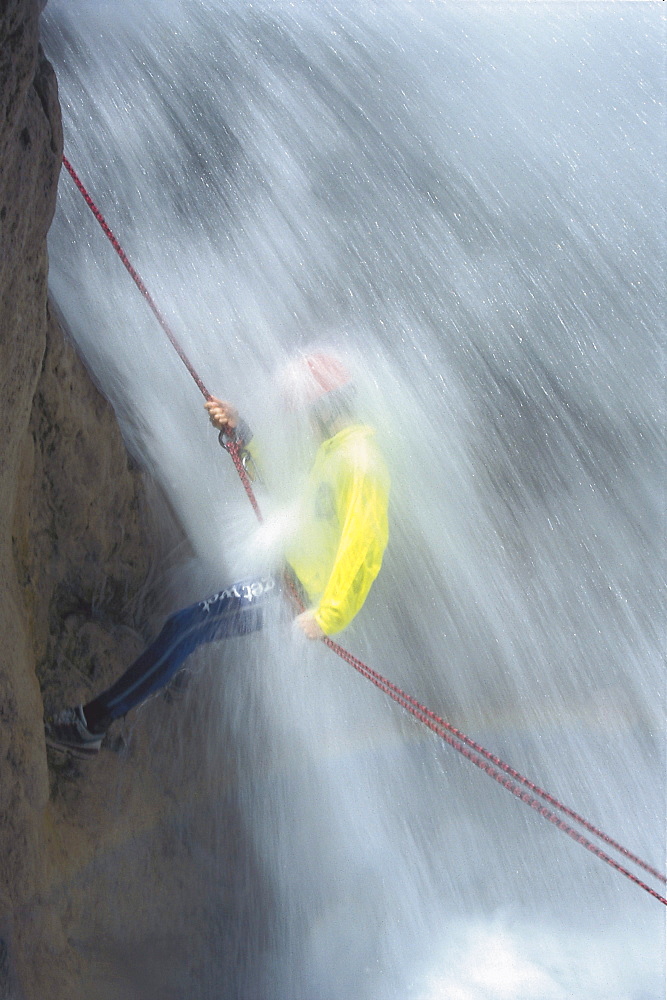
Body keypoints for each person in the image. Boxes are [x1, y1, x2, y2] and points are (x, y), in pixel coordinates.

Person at [45, 351, 390, 758]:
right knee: (192, 600)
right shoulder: (336, 453)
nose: (304, 422)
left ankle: (93, 724)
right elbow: (295, 501)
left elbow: (365, 546)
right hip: (288, 578)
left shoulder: (359, 461)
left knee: (186, 628)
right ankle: (173, 673)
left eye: (307, 411)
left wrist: (328, 615)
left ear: (324, 407)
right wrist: (240, 433)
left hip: (295, 593)